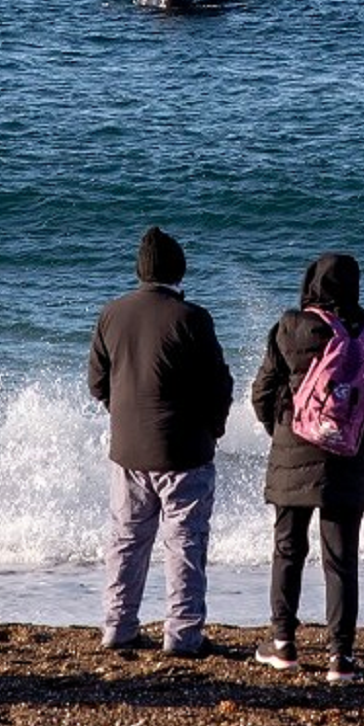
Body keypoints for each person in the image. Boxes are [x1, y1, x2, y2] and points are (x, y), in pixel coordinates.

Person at [249, 253, 364, 683]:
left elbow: (262, 391)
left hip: (292, 454)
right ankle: (341, 657)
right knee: (341, 559)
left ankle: (283, 644)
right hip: (349, 460)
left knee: (287, 549)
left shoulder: (290, 327)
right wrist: (361, 441)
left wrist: (282, 433)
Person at [86, 227, 235, 656]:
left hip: (128, 449)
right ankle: (183, 635)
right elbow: (218, 385)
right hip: (184, 449)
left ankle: (118, 625)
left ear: (140, 270)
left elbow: (97, 382)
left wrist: (125, 415)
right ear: (179, 269)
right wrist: (214, 428)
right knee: (185, 541)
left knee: (127, 540)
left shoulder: (112, 314)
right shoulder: (192, 318)